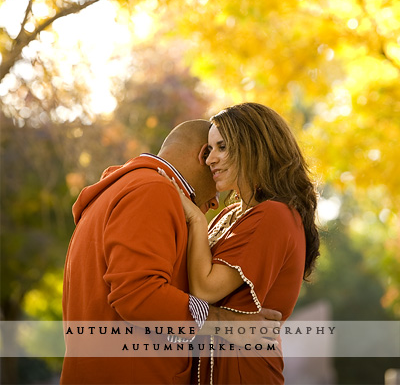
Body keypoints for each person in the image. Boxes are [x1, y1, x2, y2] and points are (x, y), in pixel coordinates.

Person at [61, 119, 281, 385]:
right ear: (205, 155)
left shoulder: (120, 189)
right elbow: (139, 294)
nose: (212, 205)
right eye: (214, 195)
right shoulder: (153, 190)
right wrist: (229, 323)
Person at [167, 103, 320, 384]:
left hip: (244, 373)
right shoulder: (230, 215)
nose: (210, 159)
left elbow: (204, 288)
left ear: (253, 147)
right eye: (208, 150)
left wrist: (195, 219)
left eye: (222, 147)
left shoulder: (274, 215)